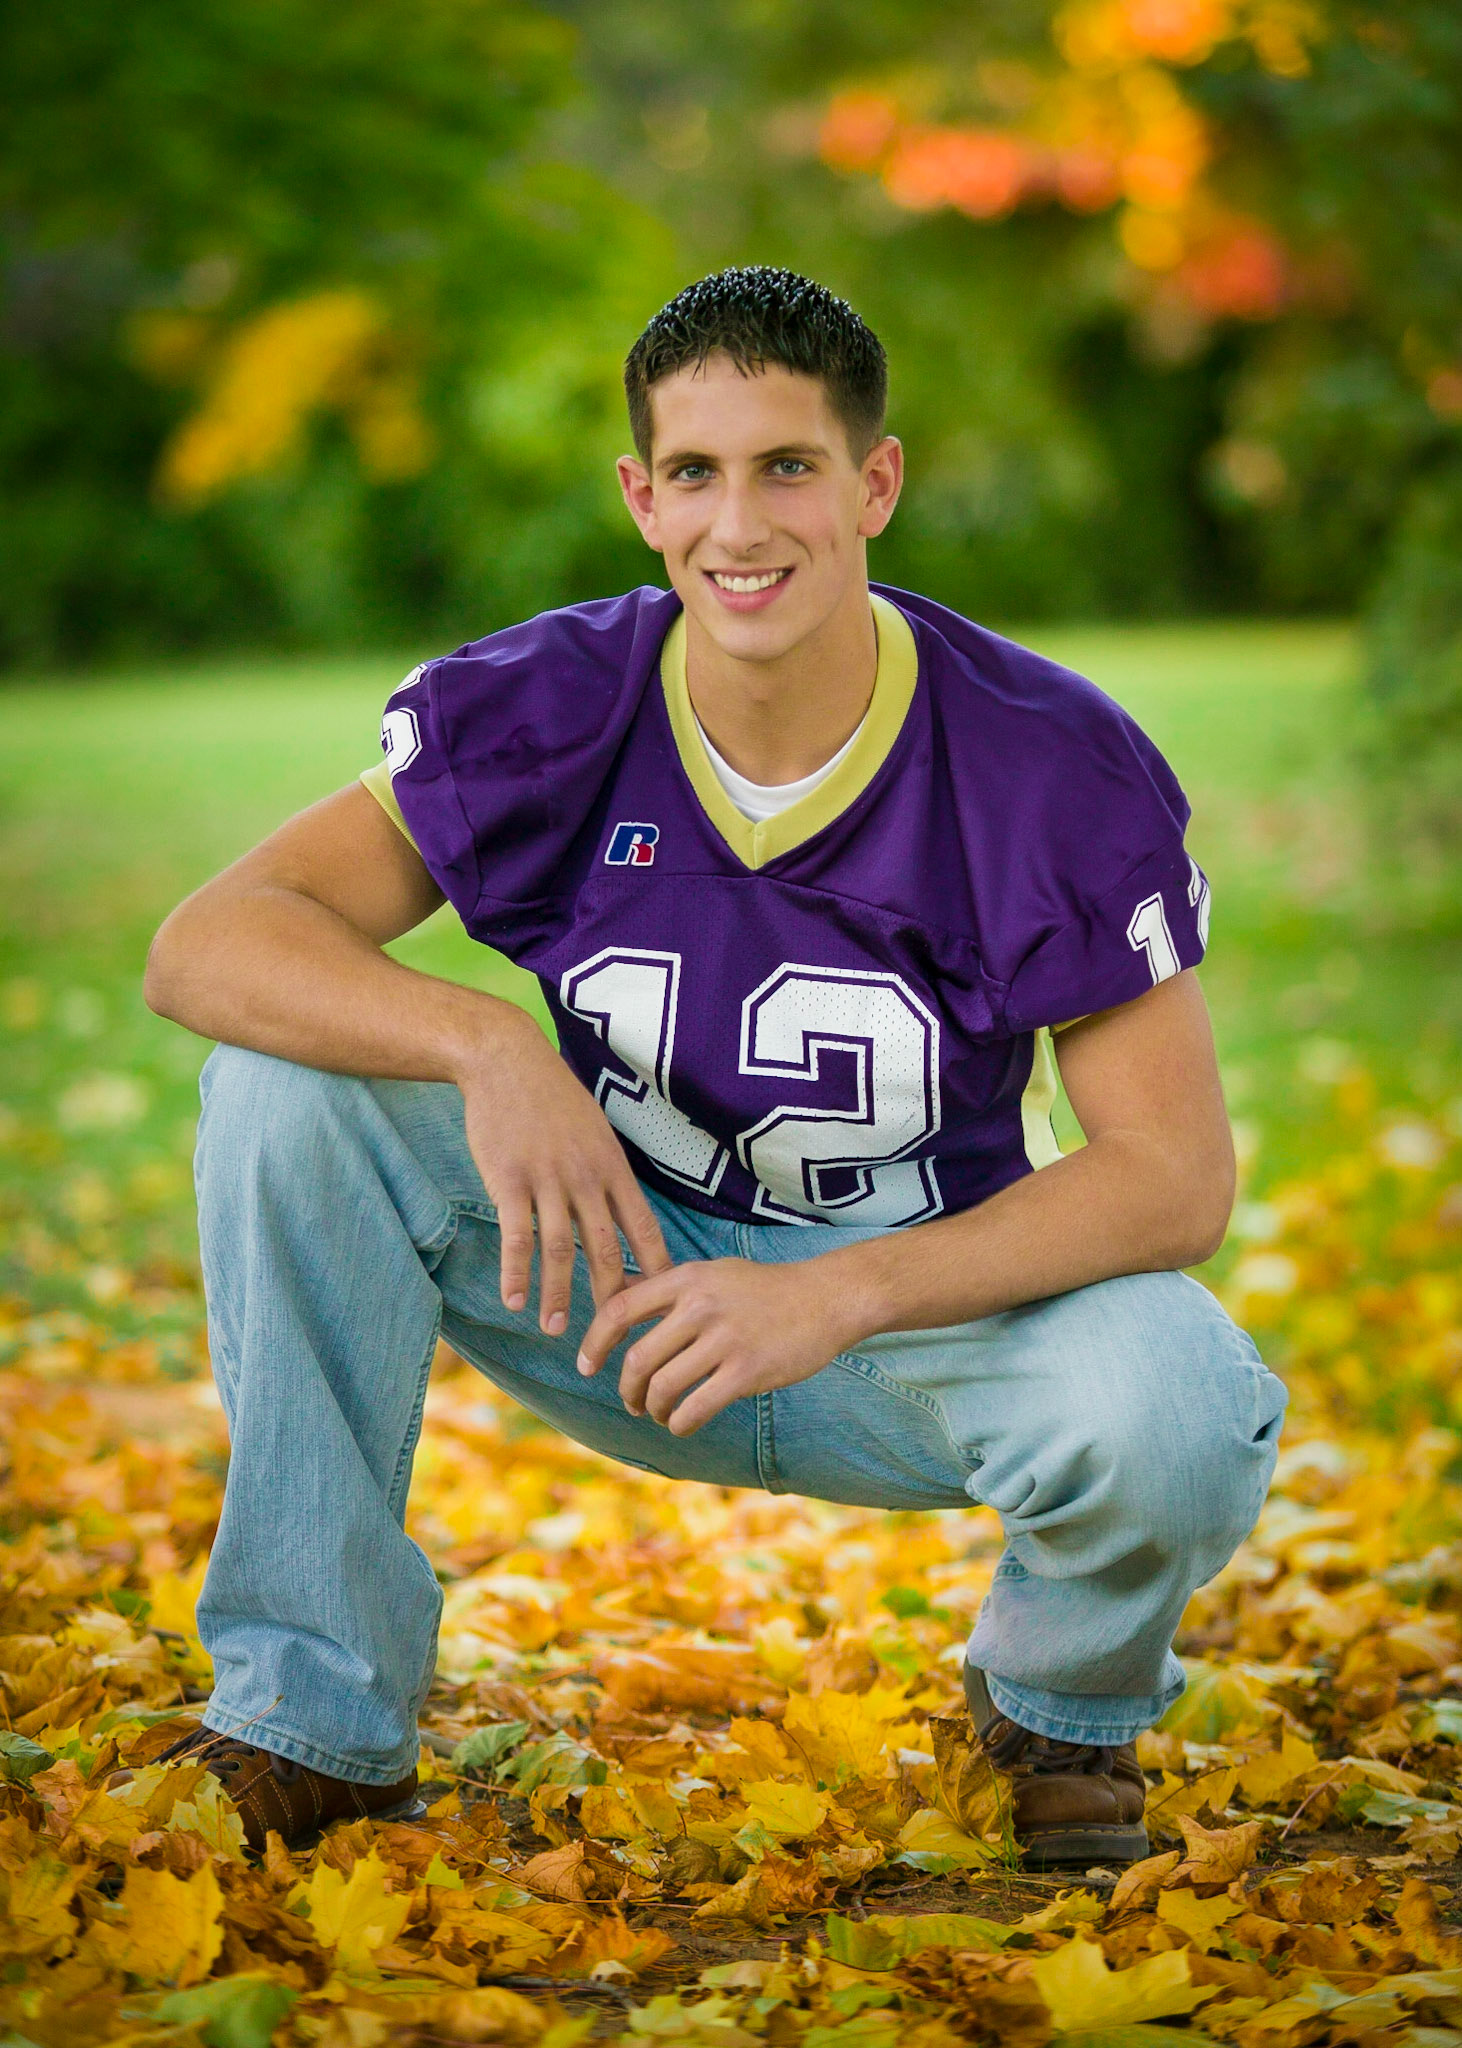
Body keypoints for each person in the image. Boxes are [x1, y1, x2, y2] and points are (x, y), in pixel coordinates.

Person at [139, 266, 1287, 1868]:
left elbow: (1174, 1177)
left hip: (911, 1331)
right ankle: (310, 1717)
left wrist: (842, 1293)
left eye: (787, 466)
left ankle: (1056, 1706)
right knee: (283, 1084)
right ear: (640, 496)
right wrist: (484, 1043)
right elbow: (207, 943)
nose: (738, 525)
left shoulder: (1048, 760)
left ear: (873, 482)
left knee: (1175, 1395)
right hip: (614, 1283)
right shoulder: (549, 701)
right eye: (695, 472)